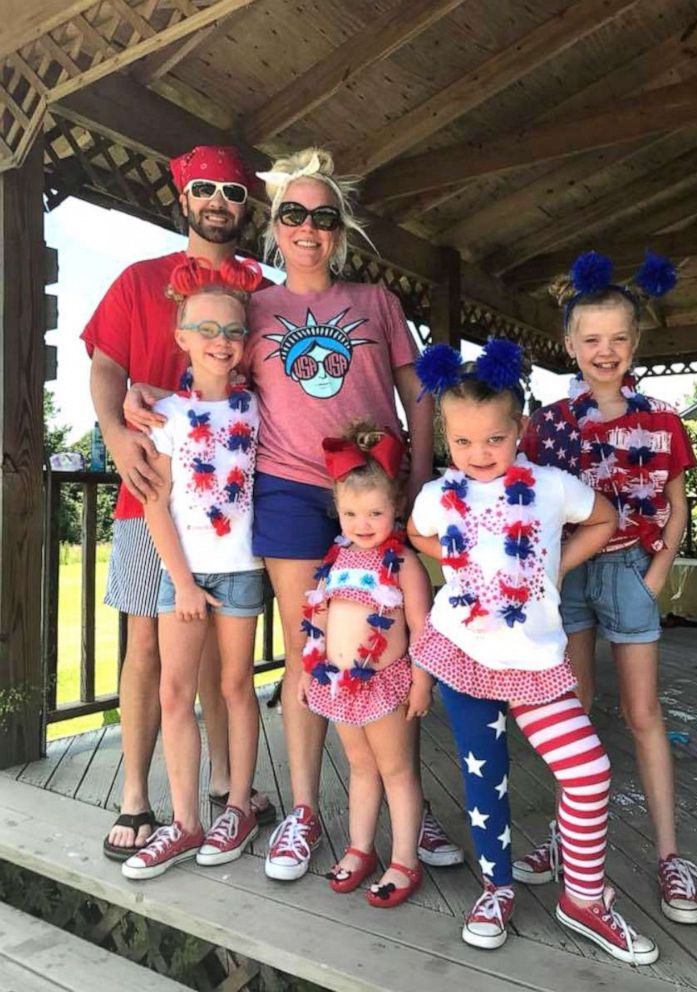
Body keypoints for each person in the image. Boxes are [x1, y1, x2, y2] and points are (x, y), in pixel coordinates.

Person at [124, 147, 462, 881]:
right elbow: (209, 371)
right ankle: (305, 812)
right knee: (315, 651)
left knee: (392, 645)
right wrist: (142, 395)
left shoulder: (376, 303)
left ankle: (411, 804)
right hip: (285, 490)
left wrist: (419, 468)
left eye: (323, 216)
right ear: (274, 227)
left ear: (340, 230)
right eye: (293, 215)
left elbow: (419, 392)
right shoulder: (259, 307)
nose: (308, 228)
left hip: (371, 494)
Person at [407, 337, 659, 964]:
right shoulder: (439, 496)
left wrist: (556, 565)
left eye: (493, 439)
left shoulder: (552, 487)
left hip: (535, 662)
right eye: (462, 443)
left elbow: (605, 519)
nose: (478, 454)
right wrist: (458, 560)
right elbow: (416, 534)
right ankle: (496, 888)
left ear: (518, 429)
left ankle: (583, 897)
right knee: (483, 777)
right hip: (463, 653)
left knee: (589, 770)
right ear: (445, 437)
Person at [83, 145, 273, 860]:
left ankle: (229, 787)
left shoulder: (262, 295)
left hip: (228, 519)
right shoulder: (141, 281)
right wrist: (113, 432)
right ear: (184, 198)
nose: (217, 201)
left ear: (244, 204)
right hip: (151, 498)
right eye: (204, 190)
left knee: (227, 669)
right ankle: (137, 794)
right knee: (146, 648)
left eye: (231, 190)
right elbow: (107, 366)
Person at [516, 251, 697, 925]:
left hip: (630, 571)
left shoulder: (661, 419)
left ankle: (669, 854)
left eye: (618, 338)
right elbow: (527, 504)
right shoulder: (546, 425)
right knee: (574, 707)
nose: (606, 350)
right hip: (567, 573)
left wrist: (657, 573)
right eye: (591, 339)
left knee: (643, 714)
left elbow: (678, 505)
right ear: (569, 346)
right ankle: (565, 838)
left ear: (635, 342)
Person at [122, 257, 265, 878]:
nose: (221, 342)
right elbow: (156, 503)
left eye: (233, 331)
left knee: (237, 687)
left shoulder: (257, 410)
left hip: (241, 571)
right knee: (175, 691)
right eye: (206, 329)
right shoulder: (166, 419)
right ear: (180, 338)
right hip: (181, 574)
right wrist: (180, 580)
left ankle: (238, 804)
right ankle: (184, 822)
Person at [297, 422, 434, 906]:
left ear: (396, 507)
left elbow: (421, 627)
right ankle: (361, 848)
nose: (363, 522)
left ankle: (405, 861)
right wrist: (306, 670)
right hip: (339, 686)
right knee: (359, 767)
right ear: (337, 509)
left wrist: (421, 682)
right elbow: (319, 616)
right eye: (351, 512)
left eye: (375, 511)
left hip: (386, 686)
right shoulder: (336, 559)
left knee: (396, 770)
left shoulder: (404, 564)